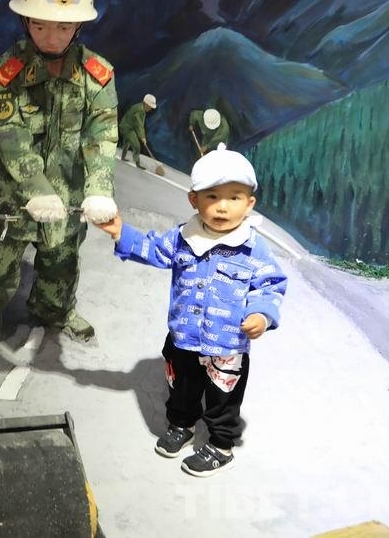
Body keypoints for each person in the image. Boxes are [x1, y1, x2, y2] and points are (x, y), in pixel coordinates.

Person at [0, 0, 119, 384]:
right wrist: (36, 187)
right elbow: (11, 137)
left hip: (69, 192)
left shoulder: (97, 75)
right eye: (40, 25)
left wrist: (99, 188)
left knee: (61, 262)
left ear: (79, 26)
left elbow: (101, 135)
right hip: (11, 195)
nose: (52, 36)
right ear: (25, 21)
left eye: (63, 26)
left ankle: (55, 312)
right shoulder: (6, 73)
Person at [95, 144, 287, 477]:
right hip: (183, 336)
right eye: (212, 197)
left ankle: (221, 446)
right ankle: (181, 425)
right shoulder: (183, 237)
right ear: (194, 200)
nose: (223, 206)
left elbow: (270, 285)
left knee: (223, 399)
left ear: (249, 203)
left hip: (225, 347)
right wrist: (121, 233)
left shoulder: (254, 248)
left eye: (234, 197)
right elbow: (155, 249)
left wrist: (261, 314)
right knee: (181, 388)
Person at [118, 93, 156, 169]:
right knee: (136, 146)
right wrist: (142, 137)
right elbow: (139, 125)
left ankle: (123, 157)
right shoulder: (140, 110)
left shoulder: (140, 107)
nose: (150, 109)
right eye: (150, 107)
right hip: (127, 128)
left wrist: (141, 135)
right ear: (146, 104)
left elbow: (137, 124)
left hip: (126, 126)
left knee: (127, 142)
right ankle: (137, 163)